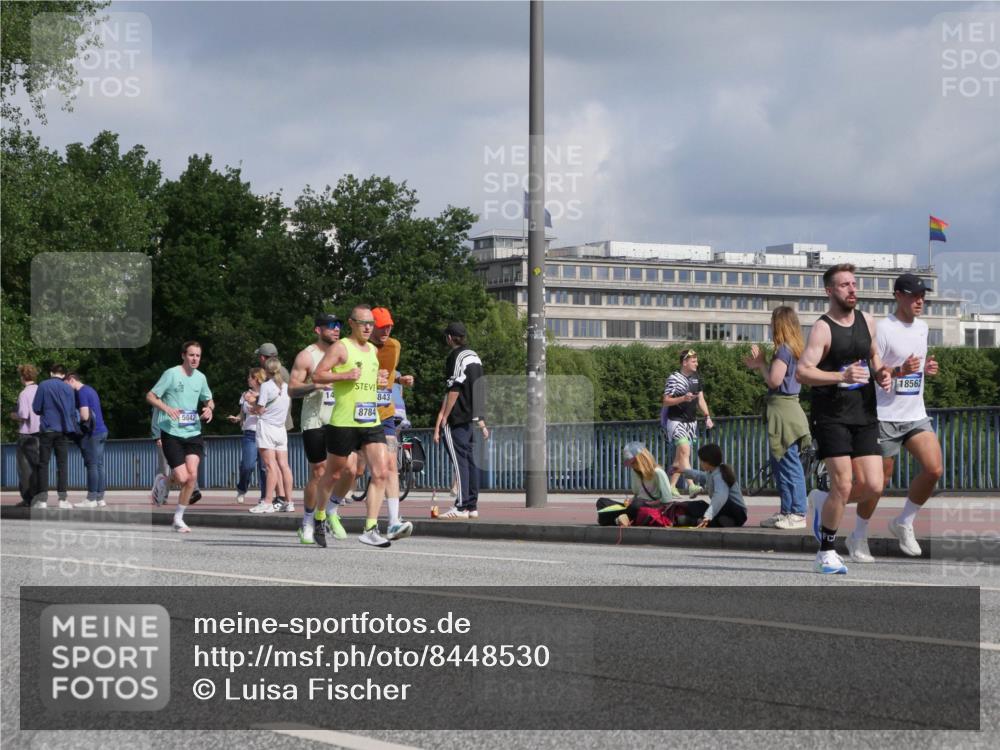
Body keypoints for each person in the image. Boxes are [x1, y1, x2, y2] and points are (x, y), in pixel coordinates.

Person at [796, 264, 891, 574]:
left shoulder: (867, 321)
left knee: (874, 485)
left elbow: (874, 355)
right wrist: (841, 376)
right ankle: (826, 551)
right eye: (844, 285)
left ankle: (822, 501)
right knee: (844, 483)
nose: (852, 290)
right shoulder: (823, 328)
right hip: (831, 416)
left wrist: (883, 373)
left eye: (854, 284)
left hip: (865, 413)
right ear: (829, 291)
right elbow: (803, 371)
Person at [847, 273, 942, 561]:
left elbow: (915, 367)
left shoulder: (924, 328)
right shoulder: (883, 329)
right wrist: (900, 371)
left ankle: (904, 521)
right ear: (898, 295)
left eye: (922, 296)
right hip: (884, 415)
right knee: (879, 482)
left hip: (914, 414)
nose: (920, 301)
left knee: (934, 469)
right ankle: (858, 535)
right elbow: (875, 375)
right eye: (914, 296)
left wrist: (926, 370)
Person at [311, 304, 393, 548]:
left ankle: (370, 527)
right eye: (363, 323)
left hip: (370, 420)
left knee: (381, 471)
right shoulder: (341, 348)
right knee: (335, 473)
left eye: (371, 324)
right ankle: (319, 517)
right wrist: (343, 376)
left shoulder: (372, 351)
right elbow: (318, 375)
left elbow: (369, 381)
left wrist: (378, 382)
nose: (369, 327)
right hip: (344, 421)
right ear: (352, 324)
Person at [744, 306, 811, 530]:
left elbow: (774, 381)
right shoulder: (794, 349)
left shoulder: (784, 350)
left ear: (780, 324)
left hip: (783, 411)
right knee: (780, 461)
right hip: (786, 410)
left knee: (788, 462)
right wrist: (761, 365)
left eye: (773, 322)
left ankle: (798, 512)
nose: (771, 326)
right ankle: (787, 511)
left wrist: (761, 364)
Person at [288, 313, 346, 545]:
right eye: (331, 326)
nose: (336, 329)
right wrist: (315, 384)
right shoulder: (307, 356)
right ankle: (308, 522)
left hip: (340, 419)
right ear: (318, 330)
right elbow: (292, 390)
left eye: (339, 325)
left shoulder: (343, 353)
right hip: (314, 420)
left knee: (349, 470)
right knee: (319, 471)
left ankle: (331, 510)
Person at [146, 341, 215, 533]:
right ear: (183, 355)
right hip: (171, 433)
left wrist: (209, 408)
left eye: (198, 356)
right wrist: (167, 408)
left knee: (192, 476)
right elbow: (150, 396)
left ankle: (178, 518)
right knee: (182, 477)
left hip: (193, 432)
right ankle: (164, 481)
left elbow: (209, 399)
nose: (195, 359)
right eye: (191, 355)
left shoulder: (201, 378)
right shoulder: (171, 374)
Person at [369, 306, 415, 540]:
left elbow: (389, 369)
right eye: (381, 325)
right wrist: (370, 378)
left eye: (389, 325)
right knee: (348, 470)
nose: (386, 329)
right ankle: (327, 512)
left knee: (389, 465)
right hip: (359, 414)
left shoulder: (394, 346)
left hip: (385, 412)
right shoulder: (357, 347)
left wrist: (400, 378)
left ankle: (393, 522)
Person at [433, 322, 487, 520]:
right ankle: (472, 505)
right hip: (471, 417)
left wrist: (444, 416)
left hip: (457, 416)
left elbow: (454, 388)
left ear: (449, 338)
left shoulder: (456, 357)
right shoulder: (475, 356)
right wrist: (480, 417)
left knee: (459, 462)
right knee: (469, 461)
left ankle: (461, 506)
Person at [662, 349, 714, 497]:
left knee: (680, 457)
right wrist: (682, 399)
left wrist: (707, 416)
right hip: (676, 421)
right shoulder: (674, 378)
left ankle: (670, 486)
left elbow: (700, 399)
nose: (697, 363)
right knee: (685, 451)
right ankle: (691, 485)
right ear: (684, 362)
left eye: (696, 360)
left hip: (691, 423)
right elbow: (666, 400)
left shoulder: (697, 378)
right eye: (693, 361)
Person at [247, 357, 295, 515]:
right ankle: (289, 502)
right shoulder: (286, 386)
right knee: (284, 466)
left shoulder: (267, 386)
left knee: (270, 466)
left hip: (267, 427)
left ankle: (267, 501)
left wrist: (251, 402)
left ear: (266, 370)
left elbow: (259, 410)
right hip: (281, 429)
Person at [31, 364, 79, 509]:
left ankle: (43, 500)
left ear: (51, 373)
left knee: (43, 464)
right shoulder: (68, 388)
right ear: (64, 375)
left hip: (47, 429)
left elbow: (36, 408)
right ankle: (63, 499)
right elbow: (72, 411)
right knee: (62, 464)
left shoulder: (44, 385)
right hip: (64, 430)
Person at [676, 444, 748, 528]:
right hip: (726, 512)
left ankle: (697, 521)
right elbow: (701, 476)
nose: (700, 463)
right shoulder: (712, 472)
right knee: (696, 505)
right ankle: (718, 520)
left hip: (737, 514)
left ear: (708, 461)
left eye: (701, 461)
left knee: (716, 506)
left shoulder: (720, 475)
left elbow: (720, 497)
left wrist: (708, 515)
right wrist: (683, 471)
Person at [65, 372, 109, 508]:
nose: (66, 388)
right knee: (99, 464)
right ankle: (100, 497)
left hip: (92, 434)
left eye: (66, 384)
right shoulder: (91, 390)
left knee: (92, 465)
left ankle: (91, 499)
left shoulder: (81, 392)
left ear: (72, 380)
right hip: (102, 431)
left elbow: (84, 416)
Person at [227, 367, 267, 505]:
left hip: (265, 433)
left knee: (264, 467)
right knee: (247, 465)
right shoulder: (245, 394)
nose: (247, 379)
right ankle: (242, 489)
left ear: (256, 378)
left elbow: (268, 411)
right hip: (249, 433)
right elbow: (243, 413)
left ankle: (264, 497)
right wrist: (237, 418)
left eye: (249, 377)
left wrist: (255, 405)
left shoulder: (267, 392)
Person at [11, 365, 41, 507]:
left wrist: (13, 415)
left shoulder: (24, 394)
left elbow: (24, 415)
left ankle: (28, 497)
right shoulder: (41, 390)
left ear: (22, 377)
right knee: (38, 466)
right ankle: (40, 496)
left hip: (26, 434)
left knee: (24, 468)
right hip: (41, 433)